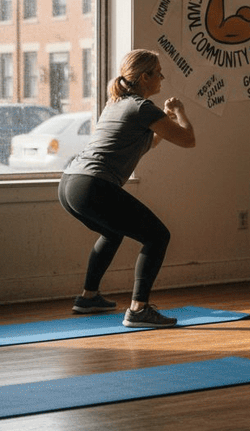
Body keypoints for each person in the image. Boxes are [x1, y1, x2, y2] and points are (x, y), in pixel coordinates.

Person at [60, 49, 196, 328]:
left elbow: (152, 141)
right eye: (158, 72)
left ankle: (88, 297)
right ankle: (139, 309)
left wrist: (165, 119)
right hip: (92, 184)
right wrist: (180, 113)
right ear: (145, 77)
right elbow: (187, 139)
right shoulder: (141, 107)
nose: (162, 77)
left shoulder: (117, 103)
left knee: (112, 232)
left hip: (70, 184)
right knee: (158, 236)